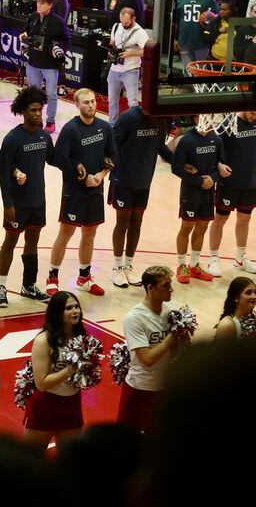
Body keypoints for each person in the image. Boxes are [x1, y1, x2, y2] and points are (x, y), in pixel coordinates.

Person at [47, 89, 116, 297]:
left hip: (96, 189)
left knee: (90, 232)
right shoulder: (70, 130)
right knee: (66, 233)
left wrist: (101, 175)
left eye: (93, 101)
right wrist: (83, 177)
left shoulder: (104, 128)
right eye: (86, 102)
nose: (91, 105)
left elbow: (112, 156)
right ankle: (52, 277)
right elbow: (59, 159)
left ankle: (84, 276)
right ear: (77, 105)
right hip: (74, 191)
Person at [109, 103, 177, 289]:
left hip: (144, 181)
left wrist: (179, 163)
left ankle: (129, 265)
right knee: (122, 222)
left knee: (137, 222)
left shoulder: (160, 120)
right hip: (122, 180)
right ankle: (117, 267)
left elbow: (160, 147)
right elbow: (112, 146)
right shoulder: (128, 118)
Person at [0, 87, 53, 307]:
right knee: (10, 241)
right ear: (23, 112)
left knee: (33, 242)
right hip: (17, 204)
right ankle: (1, 287)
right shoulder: (12, 139)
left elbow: (54, 159)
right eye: (33, 110)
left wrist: (77, 162)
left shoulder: (44, 135)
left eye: (40, 110)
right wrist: (8, 204)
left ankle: (28, 285)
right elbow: (3, 173)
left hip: (38, 201)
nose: (38, 114)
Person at [117, 266, 179, 432]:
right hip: (140, 389)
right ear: (150, 288)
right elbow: (147, 359)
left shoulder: (170, 312)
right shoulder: (134, 318)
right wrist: (171, 338)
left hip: (164, 388)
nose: (171, 289)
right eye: (166, 285)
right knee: (128, 443)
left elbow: (174, 353)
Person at [23, 292, 86, 449]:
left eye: (77, 306)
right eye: (69, 308)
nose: (75, 311)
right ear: (57, 312)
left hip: (72, 406)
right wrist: (71, 369)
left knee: (71, 461)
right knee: (32, 461)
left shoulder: (82, 337)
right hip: (46, 407)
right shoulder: (43, 340)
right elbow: (42, 384)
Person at [172, 116, 229, 284]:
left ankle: (195, 264)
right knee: (187, 225)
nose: (210, 120)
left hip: (208, 191)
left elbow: (221, 164)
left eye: (211, 117)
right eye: (206, 117)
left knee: (202, 226)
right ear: (196, 119)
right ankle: (182, 265)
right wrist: (199, 180)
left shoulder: (216, 139)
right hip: (190, 191)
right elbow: (176, 167)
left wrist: (213, 178)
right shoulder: (187, 140)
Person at [208, 111, 256, 276]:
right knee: (220, 218)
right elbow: (216, 148)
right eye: (252, 113)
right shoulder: (228, 123)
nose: (253, 117)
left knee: (245, 218)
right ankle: (213, 258)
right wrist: (219, 165)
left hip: (250, 181)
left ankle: (241, 258)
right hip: (229, 181)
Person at [21, 0, 70, 133]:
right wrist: (23, 35)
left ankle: (50, 120)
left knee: (51, 93)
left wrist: (61, 50)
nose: (39, 6)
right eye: (38, 3)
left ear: (50, 5)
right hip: (34, 61)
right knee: (34, 93)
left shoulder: (58, 22)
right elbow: (26, 31)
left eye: (42, 3)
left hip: (50, 64)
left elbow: (67, 39)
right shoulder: (33, 17)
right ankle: (36, 119)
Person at [106, 7, 149, 125]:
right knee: (112, 101)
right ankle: (112, 125)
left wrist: (131, 53)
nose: (124, 24)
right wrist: (110, 51)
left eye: (127, 22)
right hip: (114, 69)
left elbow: (148, 51)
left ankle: (133, 127)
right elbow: (112, 43)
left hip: (131, 69)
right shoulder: (116, 26)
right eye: (122, 22)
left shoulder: (140, 32)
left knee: (132, 103)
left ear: (133, 19)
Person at [175, 0, 218, 67]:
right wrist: (174, 39)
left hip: (201, 43)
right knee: (188, 71)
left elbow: (218, 16)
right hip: (184, 41)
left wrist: (212, 17)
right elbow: (174, 21)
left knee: (201, 71)